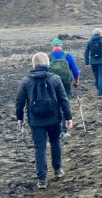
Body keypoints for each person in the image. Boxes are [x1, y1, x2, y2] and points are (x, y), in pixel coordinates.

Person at [15, 52, 73, 188]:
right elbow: (63, 99)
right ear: (48, 63)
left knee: (39, 147)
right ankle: (57, 170)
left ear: (33, 64)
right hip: (54, 118)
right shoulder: (55, 78)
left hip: (36, 120)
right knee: (55, 141)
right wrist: (68, 117)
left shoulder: (26, 81)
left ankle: (42, 179)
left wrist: (19, 118)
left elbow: (19, 102)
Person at [49, 38, 79, 134]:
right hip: (65, 83)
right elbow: (75, 71)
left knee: (55, 106)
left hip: (52, 84)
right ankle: (64, 130)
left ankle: (56, 129)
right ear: (61, 45)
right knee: (64, 104)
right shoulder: (67, 55)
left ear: (52, 46)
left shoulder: (48, 56)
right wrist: (76, 82)